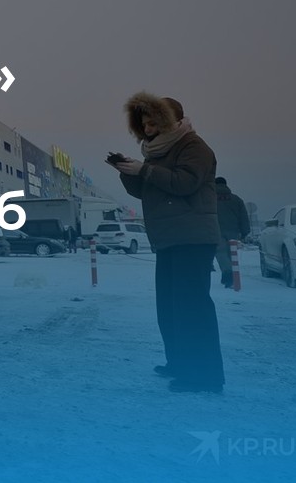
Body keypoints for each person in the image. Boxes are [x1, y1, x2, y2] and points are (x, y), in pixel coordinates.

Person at [112, 93, 225, 394]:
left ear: (172, 121)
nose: (148, 130)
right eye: (144, 124)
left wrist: (144, 170)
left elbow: (185, 183)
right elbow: (146, 190)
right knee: (170, 306)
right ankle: (179, 363)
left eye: (154, 123)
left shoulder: (194, 146)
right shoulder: (157, 152)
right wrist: (128, 172)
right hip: (169, 238)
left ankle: (205, 376)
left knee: (192, 307)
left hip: (193, 237)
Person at [214, 177, 250, 289]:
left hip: (216, 230)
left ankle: (228, 273)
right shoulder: (236, 199)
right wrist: (245, 231)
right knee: (231, 254)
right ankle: (229, 276)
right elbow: (243, 216)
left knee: (220, 252)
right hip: (233, 231)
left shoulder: (210, 199)